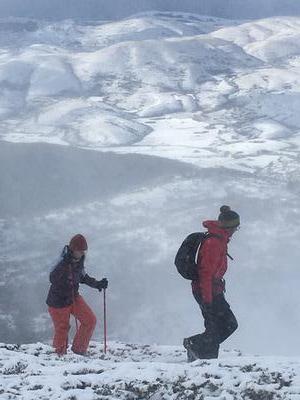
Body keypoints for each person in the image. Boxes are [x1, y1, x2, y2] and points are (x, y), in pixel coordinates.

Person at [183, 206, 240, 361]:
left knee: (228, 324)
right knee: (215, 328)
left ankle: (195, 345)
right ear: (228, 227)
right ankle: (204, 360)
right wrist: (207, 300)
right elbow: (205, 273)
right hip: (206, 290)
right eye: (235, 227)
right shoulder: (214, 243)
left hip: (214, 290)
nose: (236, 231)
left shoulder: (220, 239)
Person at [46, 234, 108, 356]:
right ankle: (58, 356)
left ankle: (79, 352)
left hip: (73, 297)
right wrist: (65, 276)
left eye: (83, 251)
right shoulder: (62, 262)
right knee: (62, 329)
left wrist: (98, 284)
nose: (82, 253)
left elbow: (83, 277)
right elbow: (52, 278)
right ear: (72, 249)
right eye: (80, 251)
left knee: (90, 320)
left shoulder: (78, 262)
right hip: (58, 301)